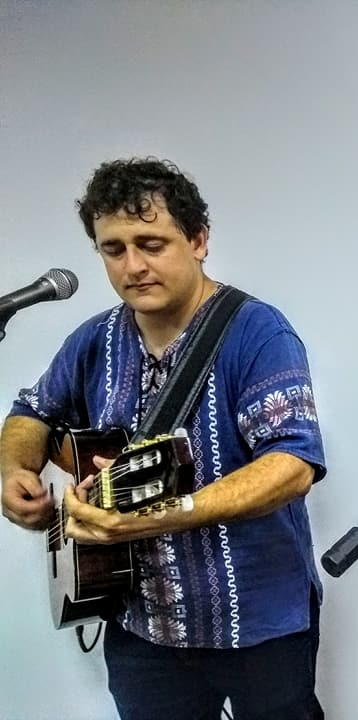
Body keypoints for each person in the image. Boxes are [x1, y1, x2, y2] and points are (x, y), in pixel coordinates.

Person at [0, 158, 326, 720]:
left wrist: (162, 516)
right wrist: (15, 471)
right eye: (114, 249)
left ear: (198, 241)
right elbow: (31, 412)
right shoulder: (95, 339)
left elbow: (292, 463)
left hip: (258, 619)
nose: (133, 266)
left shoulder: (258, 332)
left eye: (151, 244)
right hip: (141, 625)